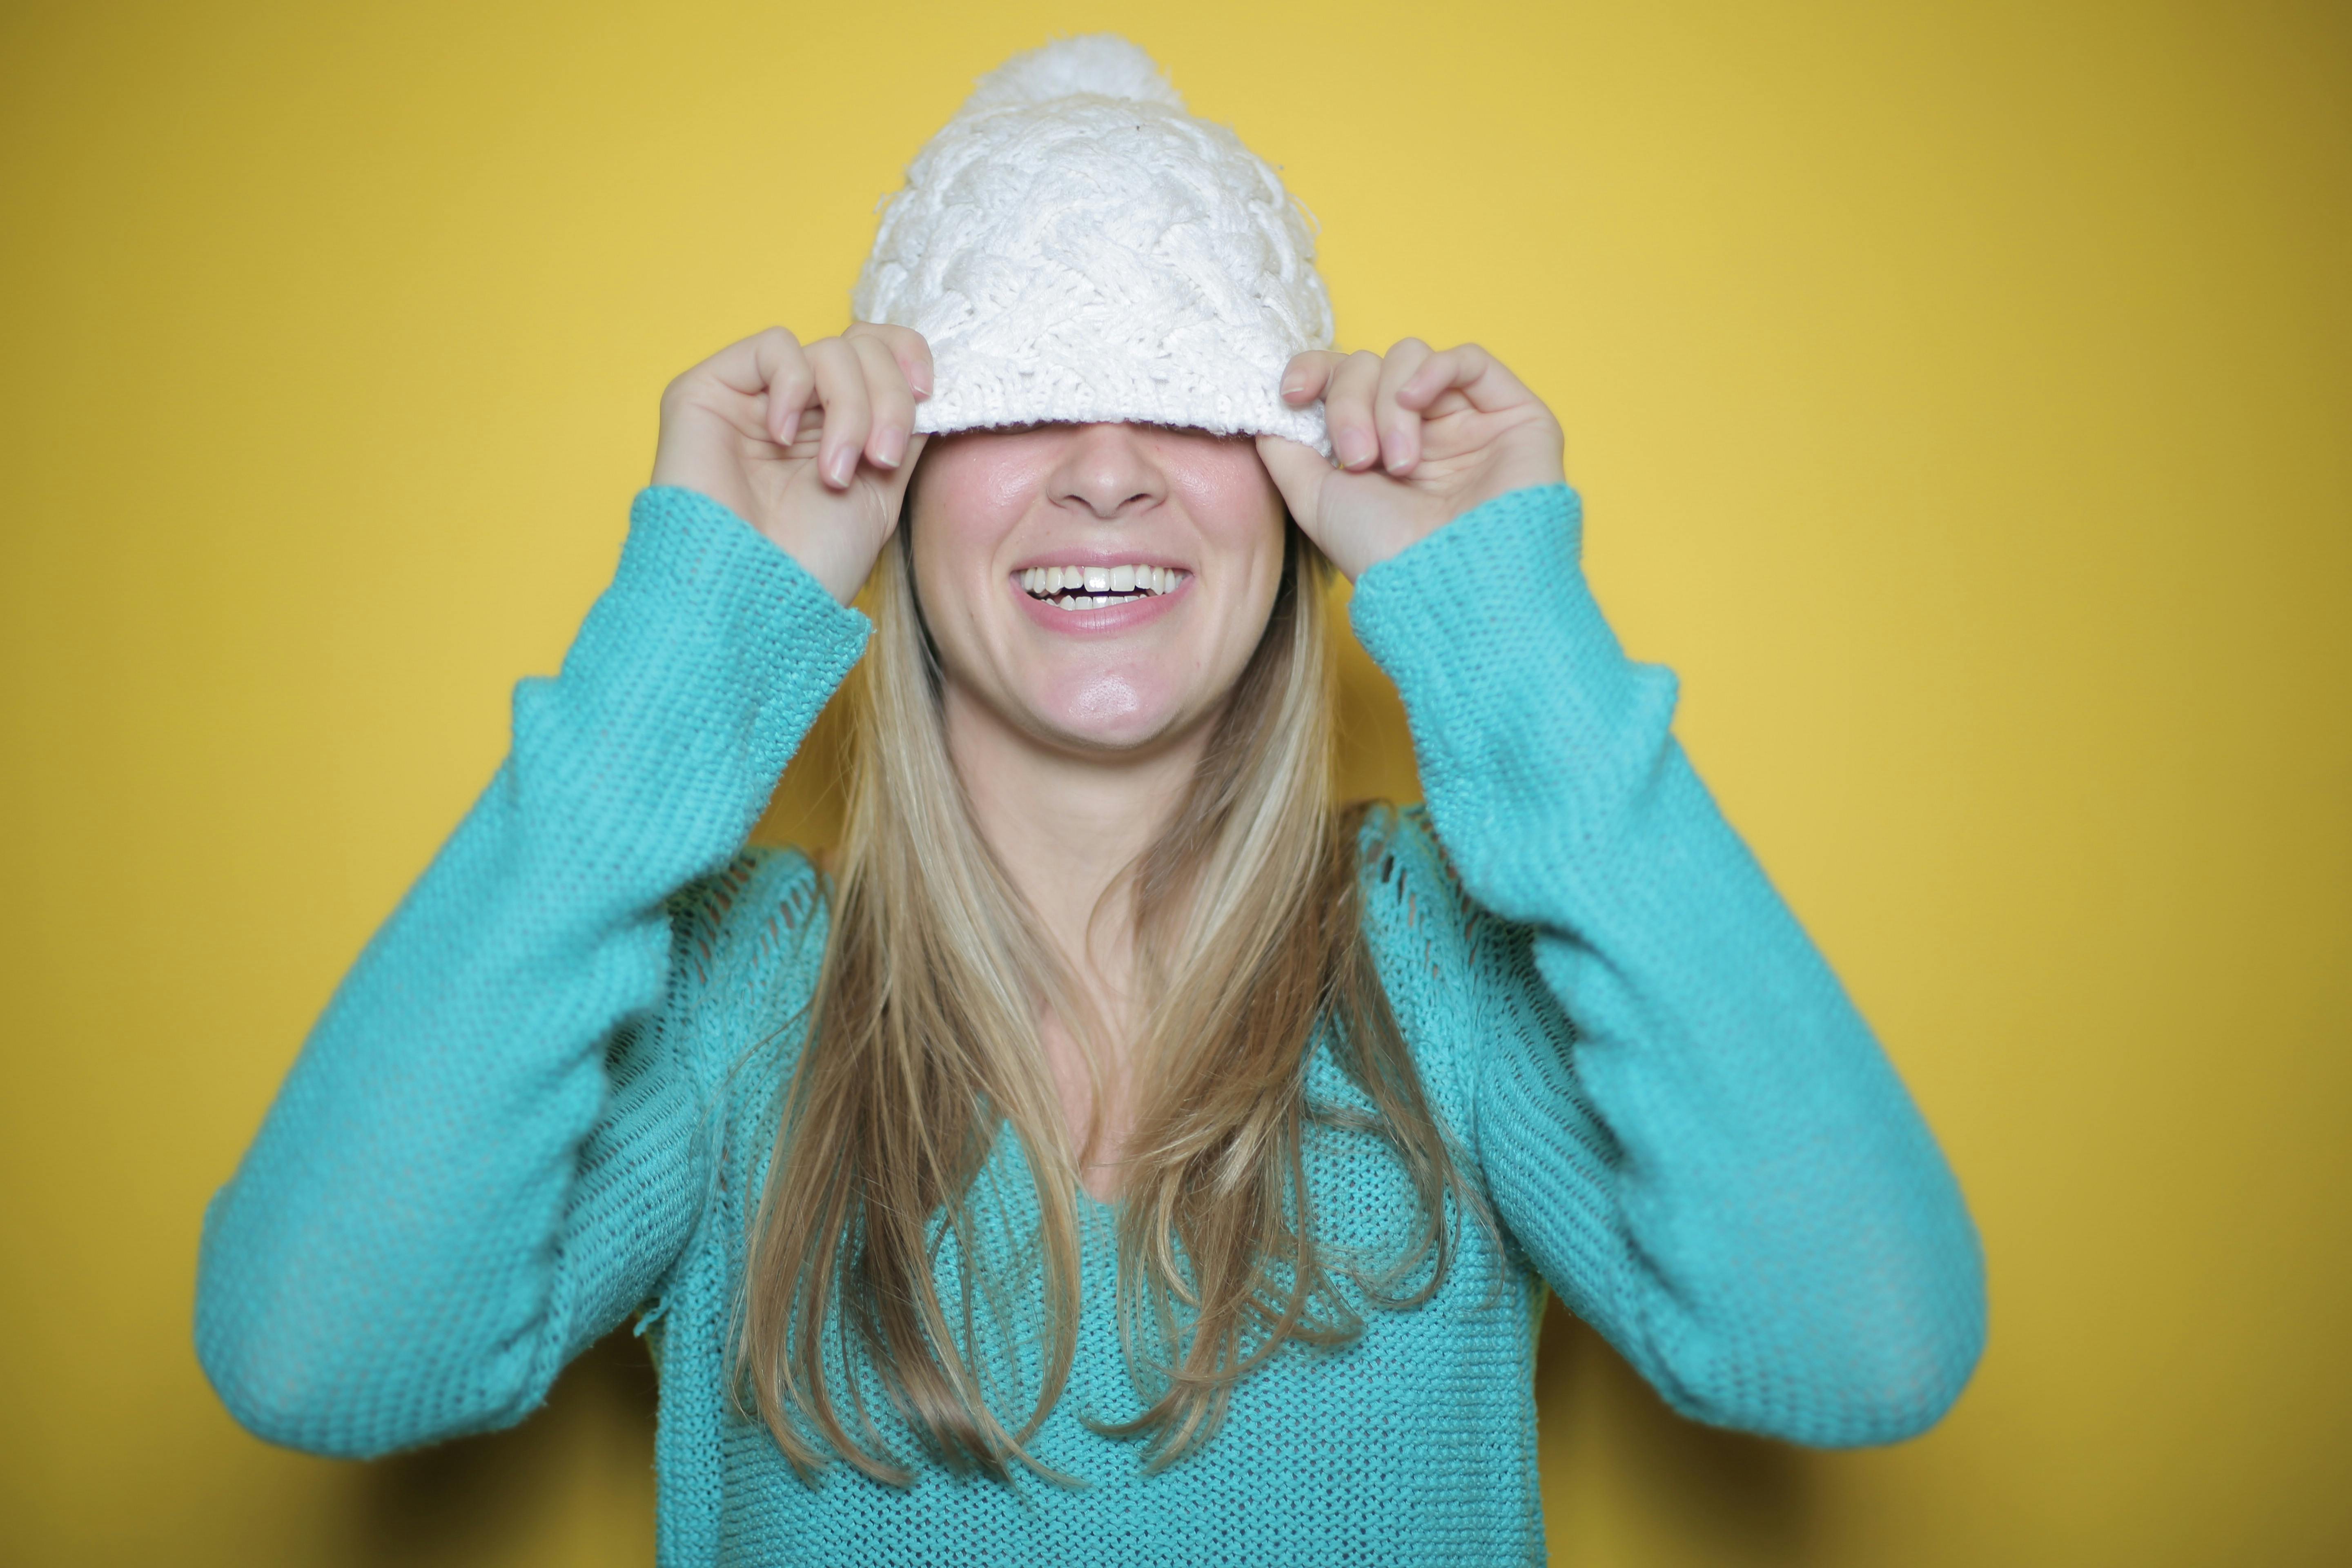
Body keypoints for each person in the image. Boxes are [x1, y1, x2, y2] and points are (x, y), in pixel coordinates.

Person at [194, 34, 1985, 1566]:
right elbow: (316, 1359)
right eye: (1025, 399)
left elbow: (1864, 1347)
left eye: (1184, 406)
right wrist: (688, 635)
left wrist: (1511, 628)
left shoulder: (1448, 967)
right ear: (893, 477)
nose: (1112, 471)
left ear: (1296, 493)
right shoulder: (739, 998)